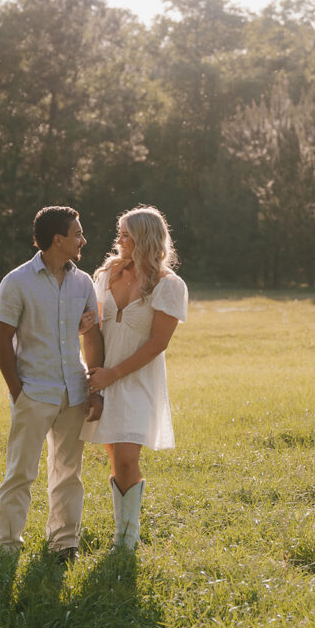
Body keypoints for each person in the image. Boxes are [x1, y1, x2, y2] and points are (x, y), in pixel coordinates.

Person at [0, 206, 104, 562]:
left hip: (73, 392)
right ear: (58, 239)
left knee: (69, 473)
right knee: (20, 474)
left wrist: (95, 389)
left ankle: (63, 545)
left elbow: (92, 337)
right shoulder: (17, 282)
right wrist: (17, 392)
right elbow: (2, 339)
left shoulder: (83, 282)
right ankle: (7, 548)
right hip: (33, 393)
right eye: (77, 234)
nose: (83, 240)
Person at [80, 205, 188, 549]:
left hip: (138, 379)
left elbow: (159, 342)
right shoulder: (105, 275)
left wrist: (114, 374)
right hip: (104, 378)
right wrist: (96, 381)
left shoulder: (169, 285)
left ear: (144, 238)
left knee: (128, 457)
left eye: (126, 234)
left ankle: (128, 537)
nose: (119, 239)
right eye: (120, 233)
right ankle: (123, 534)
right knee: (116, 458)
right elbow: (94, 330)